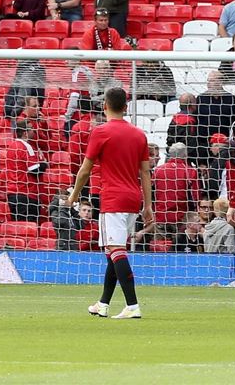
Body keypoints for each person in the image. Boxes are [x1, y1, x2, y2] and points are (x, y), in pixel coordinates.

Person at [68, 87, 152, 319]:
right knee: (112, 252)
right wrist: (148, 205)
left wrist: (73, 196)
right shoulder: (139, 134)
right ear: (126, 107)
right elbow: (146, 173)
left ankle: (133, 306)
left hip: (113, 198)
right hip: (133, 198)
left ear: (104, 106)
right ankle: (103, 304)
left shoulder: (101, 132)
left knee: (116, 250)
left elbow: (85, 170)